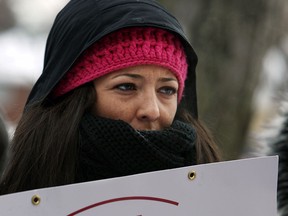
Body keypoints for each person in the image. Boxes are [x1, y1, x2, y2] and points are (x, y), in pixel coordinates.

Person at [0, 0, 221, 195]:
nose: (152, 110)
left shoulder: (223, 192)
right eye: (126, 87)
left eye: (167, 90)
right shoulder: (19, 197)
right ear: (76, 98)